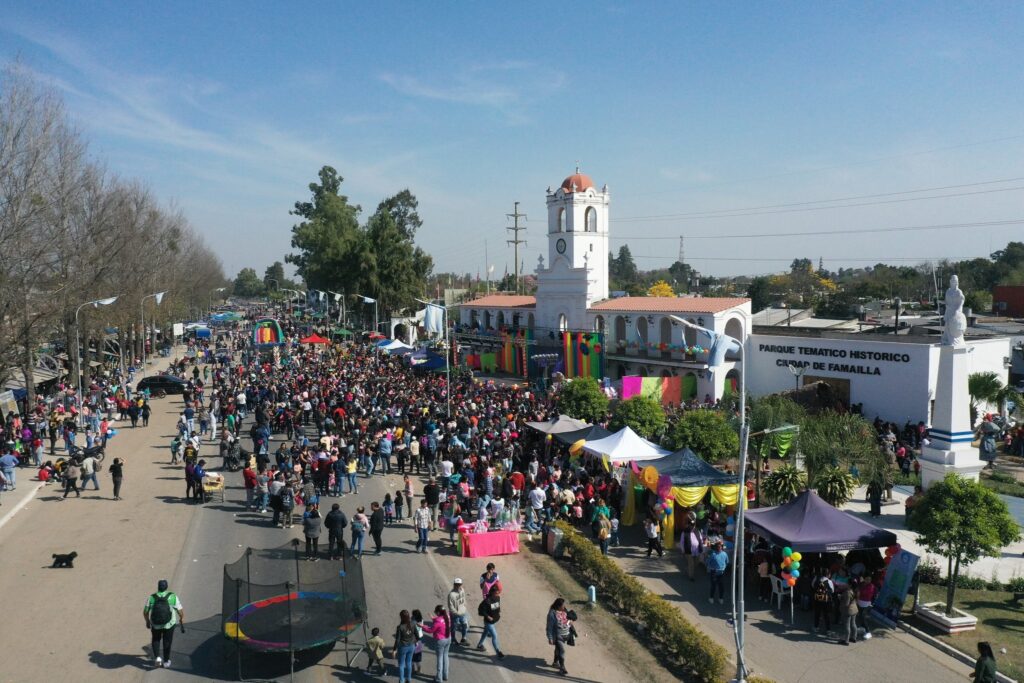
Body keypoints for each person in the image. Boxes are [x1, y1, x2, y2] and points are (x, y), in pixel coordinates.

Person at [143, 579, 184, 669]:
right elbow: (180, 611)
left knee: (156, 640)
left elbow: (145, 612)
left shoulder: (151, 597)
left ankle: (157, 658)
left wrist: (147, 621)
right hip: (169, 624)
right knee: (167, 642)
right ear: (166, 587)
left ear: (158, 587)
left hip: (156, 624)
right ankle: (166, 662)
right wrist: (181, 619)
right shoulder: (172, 596)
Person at [418, 604, 453, 683]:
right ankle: (445, 675)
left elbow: (430, 630)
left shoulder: (438, 621)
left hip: (440, 641)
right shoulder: (447, 616)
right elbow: (441, 622)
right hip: (448, 638)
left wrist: (422, 626)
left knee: (439, 659)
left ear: (438, 612)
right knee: (446, 656)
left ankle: (439, 678)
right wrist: (434, 618)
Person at [546, 597, 575, 676]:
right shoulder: (552, 614)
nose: (564, 607)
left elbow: (568, 618)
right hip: (558, 636)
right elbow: (549, 627)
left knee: (558, 649)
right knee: (562, 651)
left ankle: (555, 663)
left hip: (566, 635)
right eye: (562, 605)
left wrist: (570, 622)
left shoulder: (564, 610)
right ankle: (562, 668)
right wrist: (550, 638)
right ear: (558, 606)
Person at [476, 583, 504, 658]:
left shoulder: (498, 598)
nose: (498, 593)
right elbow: (480, 610)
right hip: (489, 622)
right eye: (497, 592)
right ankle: (498, 653)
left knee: (485, 632)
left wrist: (498, 611)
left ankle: (479, 645)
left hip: (494, 620)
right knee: (494, 636)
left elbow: (497, 605)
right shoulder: (487, 601)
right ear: (492, 592)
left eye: (498, 592)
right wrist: (487, 616)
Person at [392, 609, 418, 683]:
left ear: (401, 617)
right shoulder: (413, 623)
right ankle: (409, 679)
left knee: (401, 664)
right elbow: (417, 635)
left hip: (403, 647)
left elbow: (397, 640)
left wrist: (394, 650)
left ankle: (402, 680)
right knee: (409, 663)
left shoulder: (400, 627)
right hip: (411, 646)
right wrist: (415, 641)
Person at [447, 578, 469, 646]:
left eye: (459, 584)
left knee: (465, 626)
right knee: (454, 627)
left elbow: (464, 598)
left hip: (463, 612)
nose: (458, 586)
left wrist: (465, 605)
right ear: (454, 585)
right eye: (456, 584)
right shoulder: (451, 594)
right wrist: (457, 613)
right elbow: (450, 607)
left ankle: (463, 639)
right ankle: (453, 639)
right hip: (455, 615)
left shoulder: (462, 590)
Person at [812, 568, 835, 633]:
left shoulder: (816, 578)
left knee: (817, 614)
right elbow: (832, 591)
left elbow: (812, 586)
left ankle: (816, 627)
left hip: (817, 599)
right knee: (826, 615)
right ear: (828, 574)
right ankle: (828, 630)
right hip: (826, 600)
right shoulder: (829, 581)